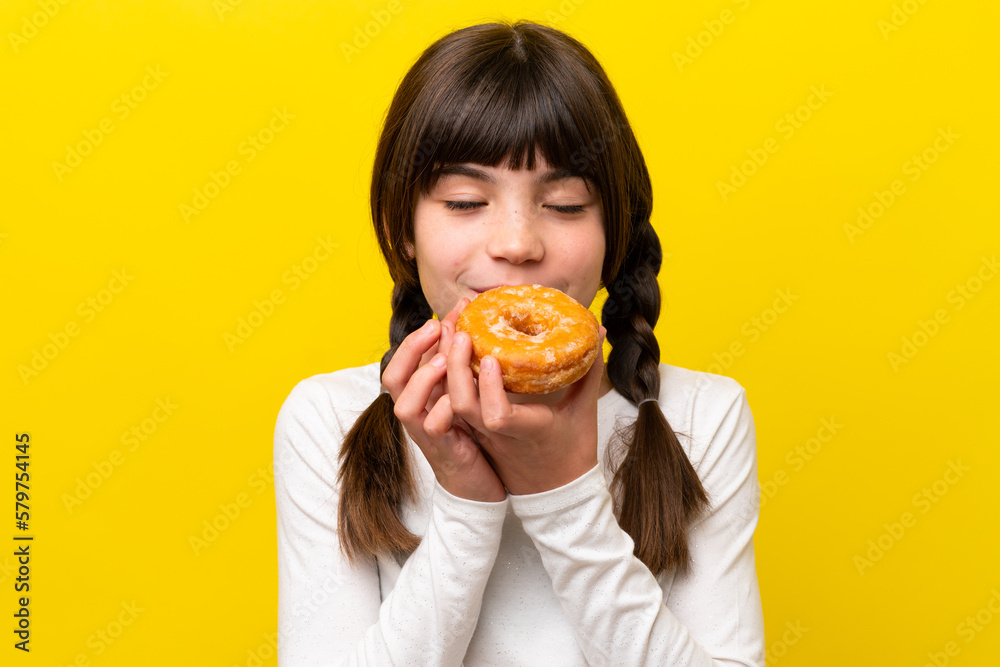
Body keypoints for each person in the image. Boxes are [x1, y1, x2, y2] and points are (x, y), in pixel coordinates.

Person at [274, 20, 765, 666]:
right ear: (404, 233)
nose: (516, 243)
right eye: (465, 200)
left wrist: (560, 487)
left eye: (563, 205)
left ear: (614, 234)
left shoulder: (701, 418)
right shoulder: (326, 422)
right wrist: (465, 502)